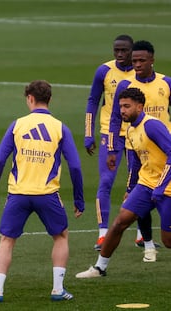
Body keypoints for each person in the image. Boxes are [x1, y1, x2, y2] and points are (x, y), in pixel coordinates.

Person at [0, 80, 85, 302]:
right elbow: (75, 166)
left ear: (30, 98)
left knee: (6, 240)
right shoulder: (60, 127)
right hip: (47, 195)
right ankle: (58, 289)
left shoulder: (17, 125)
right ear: (49, 99)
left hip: (18, 194)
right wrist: (79, 199)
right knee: (60, 236)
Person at [76, 87, 171, 279]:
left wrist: (161, 186)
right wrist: (130, 188)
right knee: (120, 221)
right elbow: (135, 162)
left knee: (168, 241)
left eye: (127, 106)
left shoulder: (152, 125)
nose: (123, 111)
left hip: (167, 185)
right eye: (120, 106)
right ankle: (99, 268)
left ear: (139, 106)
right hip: (145, 184)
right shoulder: (130, 130)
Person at [107, 40, 171, 261]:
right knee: (138, 191)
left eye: (141, 60)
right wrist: (112, 147)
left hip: (163, 146)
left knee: (156, 194)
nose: (137, 64)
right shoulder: (125, 85)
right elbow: (115, 117)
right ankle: (148, 245)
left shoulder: (166, 83)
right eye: (134, 61)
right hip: (135, 144)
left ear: (152, 60)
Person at [84, 34, 134, 251]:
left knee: (140, 183)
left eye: (124, 50)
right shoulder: (104, 71)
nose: (120, 54)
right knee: (106, 181)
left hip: (136, 134)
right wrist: (88, 133)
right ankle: (103, 233)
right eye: (117, 50)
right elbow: (93, 100)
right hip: (110, 134)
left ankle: (142, 234)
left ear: (133, 51)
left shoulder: (140, 73)